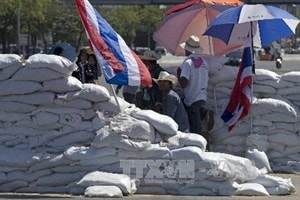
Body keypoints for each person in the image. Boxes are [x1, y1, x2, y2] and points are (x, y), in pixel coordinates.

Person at [177, 35, 214, 136]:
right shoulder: (204, 62)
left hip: (192, 97)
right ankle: (204, 112)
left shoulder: (187, 63)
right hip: (202, 95)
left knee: (195, 127)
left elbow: (184, 84)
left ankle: (201, 140)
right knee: (193, 111)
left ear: (188, 50)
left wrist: (178, 73)